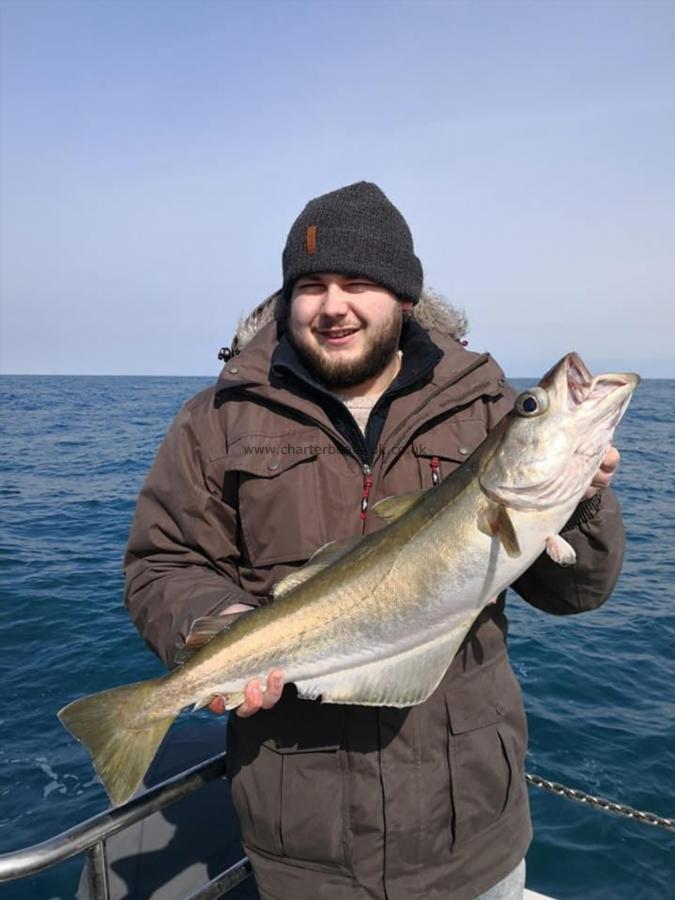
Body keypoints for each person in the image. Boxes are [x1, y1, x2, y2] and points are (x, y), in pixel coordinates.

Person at [124, 182, 625, 900]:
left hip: (470, 830)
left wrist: (580, 502)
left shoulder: (483, 407)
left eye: (358, 282)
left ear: (405, 299)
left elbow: (577, 592)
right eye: (311, 285)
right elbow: (164, 563)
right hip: (302, 840)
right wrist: (218, 627)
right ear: (288, 298)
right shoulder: (218, 419)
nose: (333, 305)